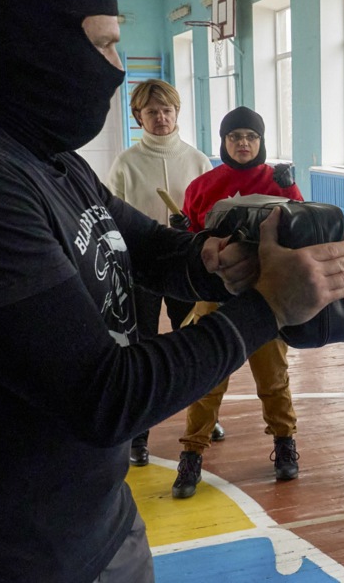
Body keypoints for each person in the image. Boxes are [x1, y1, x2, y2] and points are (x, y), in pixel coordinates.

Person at [0, 0, 344, 583]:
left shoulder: (47, 158)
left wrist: (211, 257)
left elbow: (145, 246)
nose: (117, 71)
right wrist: (266, 307)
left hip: (94, 518)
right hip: (0, 553)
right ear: (31, 42)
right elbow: (103, 397)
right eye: (103, 44)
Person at [171, 106, 304, 499]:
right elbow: (191, 236)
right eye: (234, 137)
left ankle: (284, 442)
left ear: (260, 142)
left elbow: (301, 230)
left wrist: (293, 192)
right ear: (223, 142)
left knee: (273, 377)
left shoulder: (279, 182)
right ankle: (192, 452)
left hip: (266, 296)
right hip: (215, 295)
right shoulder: (202, 185)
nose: (242, 143)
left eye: (250, 136)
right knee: (207, 378)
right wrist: (183, 235)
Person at [106, 78, 221, 466]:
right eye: (151, 111)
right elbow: (110, 221)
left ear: (177, 113)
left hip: (185, 265)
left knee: (192, 340)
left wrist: (191, 227)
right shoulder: (125, 163)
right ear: (138, 117)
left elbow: (213, 217)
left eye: (166, 110)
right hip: (138, 269)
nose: (161, 117)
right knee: (140, 347)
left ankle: (202, 420)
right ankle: (139, 434)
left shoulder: (197, 160)